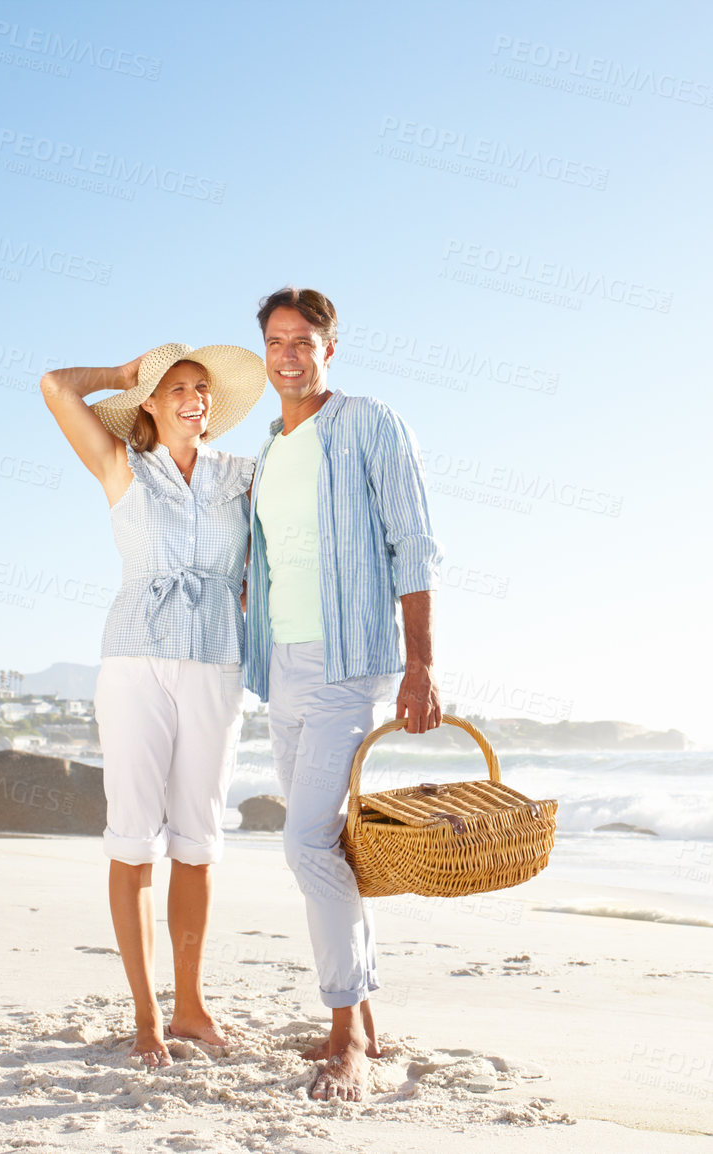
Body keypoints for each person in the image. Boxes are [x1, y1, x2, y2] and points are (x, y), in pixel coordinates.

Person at [243, 287, 444, 1101]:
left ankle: (344, 1037)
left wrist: (420, 663)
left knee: (303, 848)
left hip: (347, 663)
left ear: (331, 348)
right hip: (280, 669)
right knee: (325, 850)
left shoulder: (368, 424)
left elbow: (415, 543)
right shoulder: (266, 448)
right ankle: (361, 1016)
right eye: (275, 340)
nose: (288, 353)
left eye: (303, 339)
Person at [41, 341, 266, 1068]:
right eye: (177, 388)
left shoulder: (243, 476)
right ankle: (145, 1015)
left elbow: (273, 552)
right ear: (151, 401)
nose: (194, 397)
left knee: (197, 842)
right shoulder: (122, 467)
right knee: (134, 836)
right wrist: (120, 374)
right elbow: (53, 386)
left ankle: (191, 1004)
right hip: (135, 660)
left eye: (202, 388)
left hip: (214, 664)